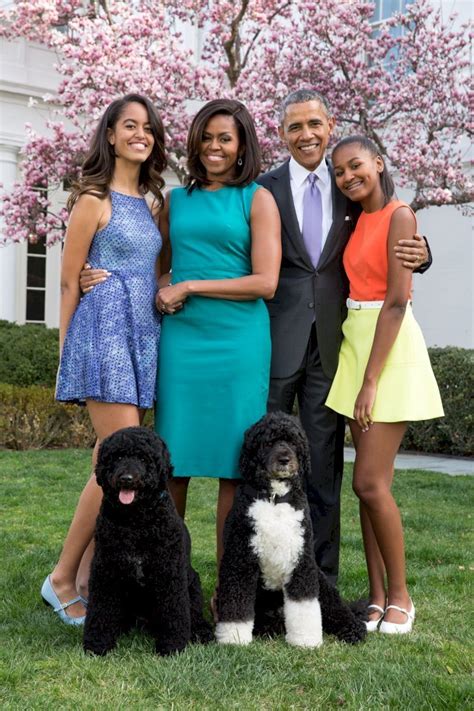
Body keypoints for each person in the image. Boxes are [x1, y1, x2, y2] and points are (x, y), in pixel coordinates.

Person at [257, 89, 431, 584]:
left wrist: (423, 252)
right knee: (262, 459)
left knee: (323, 467)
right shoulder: (264, 189)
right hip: (275, 340)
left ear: (330, 125)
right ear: (282, 134)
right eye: (294, 127)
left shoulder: (349, 184)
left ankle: (321, 580)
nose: (305, 134)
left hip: (337, 348)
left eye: (314, 124)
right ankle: (264, 574)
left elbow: (390, 231)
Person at [41, 94, 166, 624]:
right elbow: (70, 279)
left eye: (148, 127)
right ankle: (63, 578)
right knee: (115, 457)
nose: (140, 134)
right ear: (110, 135)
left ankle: (88, 576)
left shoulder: (155, 201)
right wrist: (67, 351)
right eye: (129, 126)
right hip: (103, 332)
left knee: (107, 459)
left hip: (143, 333)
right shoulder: (92, 198)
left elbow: (154, 269)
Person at [154, 99, 281, 578]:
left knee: (234, 466)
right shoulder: (176, 200)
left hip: (238, 343)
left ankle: (228, 593)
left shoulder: (258, 198)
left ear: (242, 143)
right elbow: (157, 266)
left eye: (225, 138)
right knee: (172, 463)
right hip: (183, 342)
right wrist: (158, 288)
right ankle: (167, 585)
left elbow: (265, 282)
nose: (214, 146)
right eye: (206, 137)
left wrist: (189, 284)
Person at [325, 134, 443, 633]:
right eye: (339, 173)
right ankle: (375, 597)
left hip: (387, 348)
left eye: (356, 167)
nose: (348, 177)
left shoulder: (400, 214)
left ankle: (400, 597)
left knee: (368, 482)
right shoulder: (354, 218)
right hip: (355, 340)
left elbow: (396, 301)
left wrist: (370, 381)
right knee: (369, 488)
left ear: (378, 161)